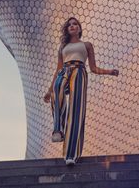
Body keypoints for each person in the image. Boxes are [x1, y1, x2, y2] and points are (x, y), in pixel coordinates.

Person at [43, 16, 119, 166]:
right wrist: (49, 89)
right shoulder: (62, 47)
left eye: (75, 24)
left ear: (79, 28)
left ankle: (70, 155)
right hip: (64, 70)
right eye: (69, 24)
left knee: (76, 112)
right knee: (57, 89)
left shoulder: (87, 45)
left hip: (79, 72)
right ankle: (58, 129)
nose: (72, 26)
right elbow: (58, 68)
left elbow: (93, 68)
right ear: (67, 29)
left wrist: (109, 72)